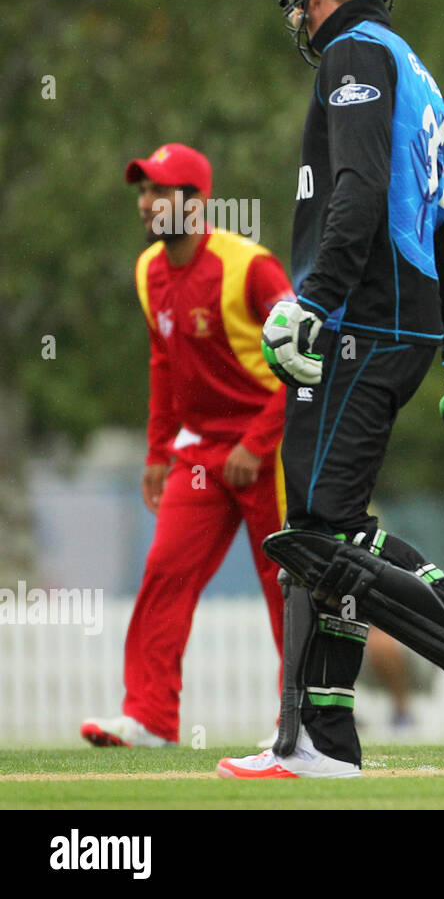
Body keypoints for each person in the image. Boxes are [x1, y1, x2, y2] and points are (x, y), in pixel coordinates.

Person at [218, 0, 444, 779]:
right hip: (399, 320)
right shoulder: (416, 71)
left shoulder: (356, 57)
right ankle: (322, 739)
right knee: (330, 527)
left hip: (363, 320)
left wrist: (318, 302)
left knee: (316, 534)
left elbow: (362, 191)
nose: (297, 14)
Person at [81, 143, 290, 748]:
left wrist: (257, 442)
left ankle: (298, 721)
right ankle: (149, 718)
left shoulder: (251, 267)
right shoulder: (148, 271)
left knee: (286, 583)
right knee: (164, 572)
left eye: (159, 192)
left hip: (268, 451)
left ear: (197, 203)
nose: (146, 204)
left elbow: (307, 360)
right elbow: (163, 364)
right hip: (199, 456)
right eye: (142, 192)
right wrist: (156, 451)